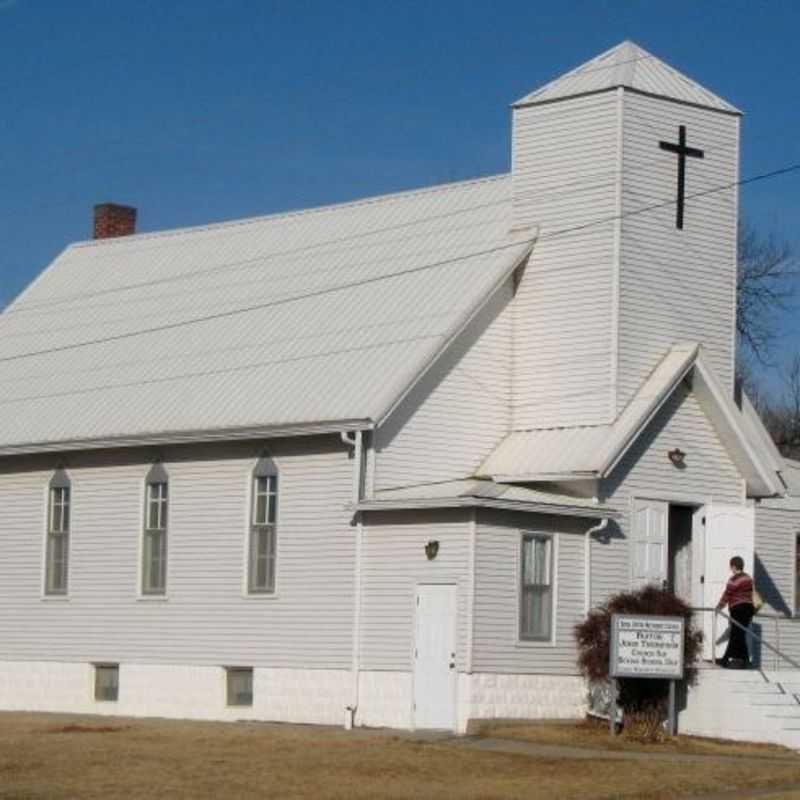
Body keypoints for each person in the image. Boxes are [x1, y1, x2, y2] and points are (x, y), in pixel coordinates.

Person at [716, 556, 756, 669]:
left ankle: (725, 660)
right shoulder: (748, 578)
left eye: (731, 566)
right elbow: (751, 594)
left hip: (738, 609)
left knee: (735, 634)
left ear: (734, 566)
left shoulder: (733, 580)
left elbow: (727, 595)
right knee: (740, 634)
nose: (730, 569)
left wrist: (719, 607)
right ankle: (745, 660)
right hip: (748, 609)